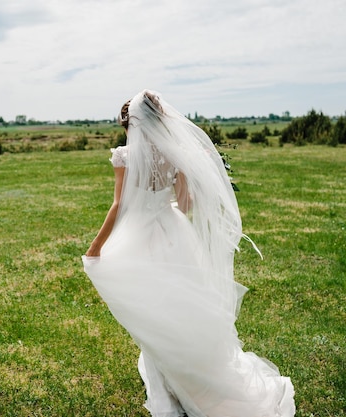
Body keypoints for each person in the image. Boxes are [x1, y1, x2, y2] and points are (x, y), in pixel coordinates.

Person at [82, 90, 295, 417]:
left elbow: (119, 204)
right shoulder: (175, 154)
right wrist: (171, 211)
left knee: (150, 309)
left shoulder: (124, 156)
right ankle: (183, 377)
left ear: (131, 125)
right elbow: (186, 203)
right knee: (176, 307)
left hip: (140, 236)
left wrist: (96, 248)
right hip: (173, 231)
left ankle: (168, 387)